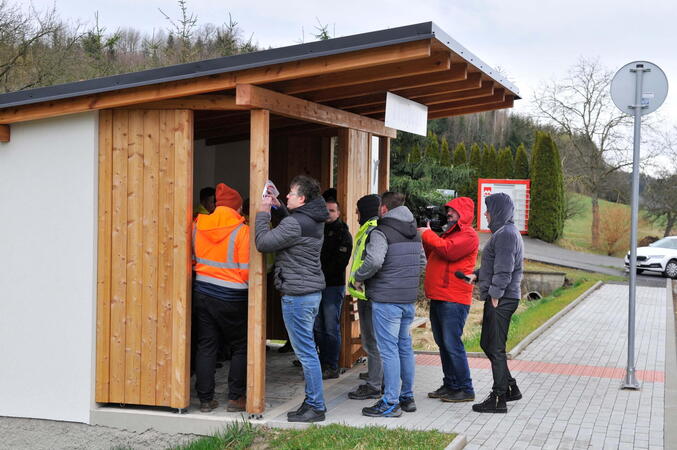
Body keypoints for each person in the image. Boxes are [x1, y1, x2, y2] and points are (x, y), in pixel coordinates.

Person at [255, 175, 328, 423]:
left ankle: (316, 407)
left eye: (290, 193)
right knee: (308, 351)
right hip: (309, 293)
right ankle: (311, 402)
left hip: (297, 296)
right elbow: (293, 227)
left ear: (302, 199)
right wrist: (281, 207)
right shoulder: (312, 219)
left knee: (306, 353)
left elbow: (263, 242)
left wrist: (264, 213)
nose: (286, 195)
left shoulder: (297, 223)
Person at [352, 192, 426, 418]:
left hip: (386, 301)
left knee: (389, 350)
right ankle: (407, 396)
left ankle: (390, 402)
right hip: (407, 300)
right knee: (404, 347)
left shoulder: (381, 231)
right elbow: (422, 262)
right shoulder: (413, 232)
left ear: (383, 209)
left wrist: (359, 275)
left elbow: (374, 261)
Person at [192, 183, 249, 413]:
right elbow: (246, 270)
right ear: (237, 207)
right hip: (232, 296)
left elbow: (193, 258)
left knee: (206, 345)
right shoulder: (242, 231)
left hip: (202, 292)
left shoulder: (197, 225)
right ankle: (235, 398)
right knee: (240, 346)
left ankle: (205, 400)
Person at [418, 197, 479, 403]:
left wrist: (427, 235)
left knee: (452, 343)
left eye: (452, 211)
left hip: (454, 298)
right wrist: (428, 238)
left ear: (463, 214)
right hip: (441, 295)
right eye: (448, 211)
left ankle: (465, 388)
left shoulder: (468, 235)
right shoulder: (449, 234)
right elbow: (435, 252)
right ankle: (451, 384)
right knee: (443, 342)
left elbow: (448, 251)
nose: (448, 214)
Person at [470, 192, 524, 413]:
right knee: (488, 344)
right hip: (501, 296)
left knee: (495, 347)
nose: (485, 214)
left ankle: (499, 398)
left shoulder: (506, 235)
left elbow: (505, 268)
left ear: (498, 211)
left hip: (502, 298)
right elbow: (495, 265)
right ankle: (510, 387)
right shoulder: (505, 233)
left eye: (488, 210)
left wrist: (495, 294)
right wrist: (476, 274)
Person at [347, 194, 384, 401]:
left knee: (372, 341)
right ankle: (376, 375)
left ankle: (374, 385)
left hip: (368, 293)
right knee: (373, 340)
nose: (355, 214)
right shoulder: (373, 227)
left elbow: (374, 261)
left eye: (358, 210)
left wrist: (359, 277)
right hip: (367, 293)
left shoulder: (372, 229)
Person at [315, 194, 352, 379]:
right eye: (326, 210)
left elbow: (340, 262)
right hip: (316, 286)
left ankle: (332, 365)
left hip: (332, 286)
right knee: (318, 327)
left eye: (332, 210)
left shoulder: (343, 233)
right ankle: (321, 363)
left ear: (338, 213)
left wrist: (320, 275)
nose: (328, 213)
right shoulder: (316, 229)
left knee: (330, 327)